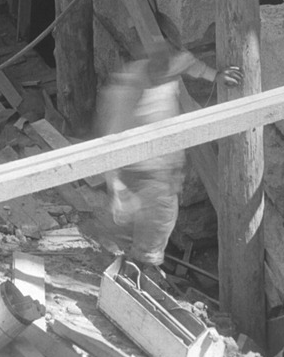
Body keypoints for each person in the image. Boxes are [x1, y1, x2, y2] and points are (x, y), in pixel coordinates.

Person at [95, 46, 239, 283]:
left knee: (158, 220)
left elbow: (189, 63)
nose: (165, 78)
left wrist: (216, 76)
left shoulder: (170, 65)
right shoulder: (127, 91)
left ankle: (136, 262)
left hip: (165, 166)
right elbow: (110, 141)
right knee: (154, 223)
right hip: (140, 168)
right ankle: (141, 272)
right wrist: (117, 188)